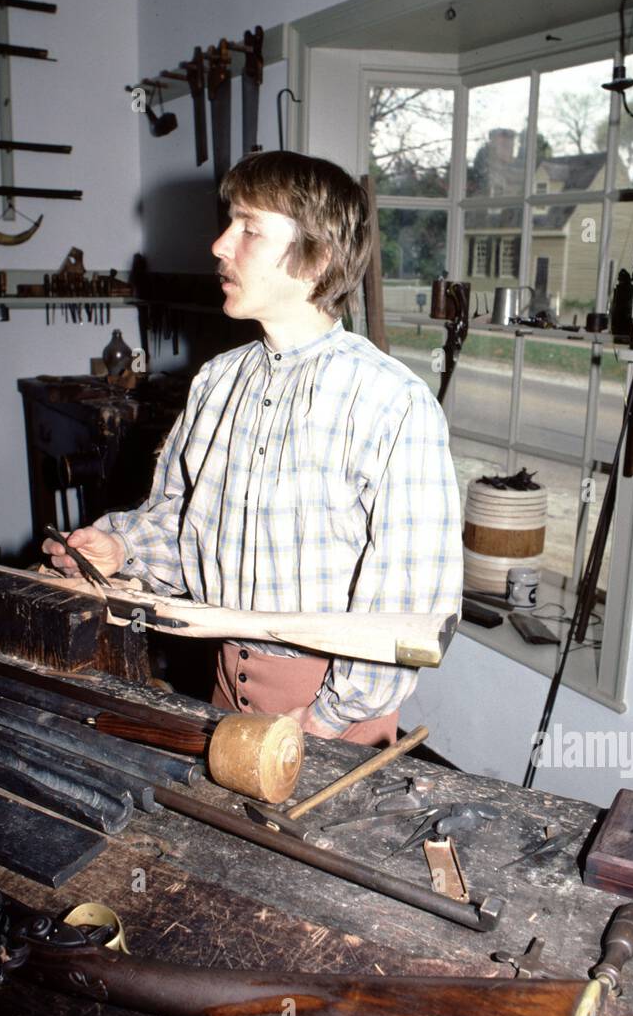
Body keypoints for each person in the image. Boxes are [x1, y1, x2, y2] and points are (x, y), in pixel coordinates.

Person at [44, 150, 463, 747]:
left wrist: (328, 718)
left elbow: (410, 599)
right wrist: (119, 547)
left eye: (249, 229)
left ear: (316, 258)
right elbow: (183, 521)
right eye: (228, 223)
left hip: (330, 712)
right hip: (222, 686)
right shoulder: (217, 381)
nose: (219, 245)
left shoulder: (392, 403)